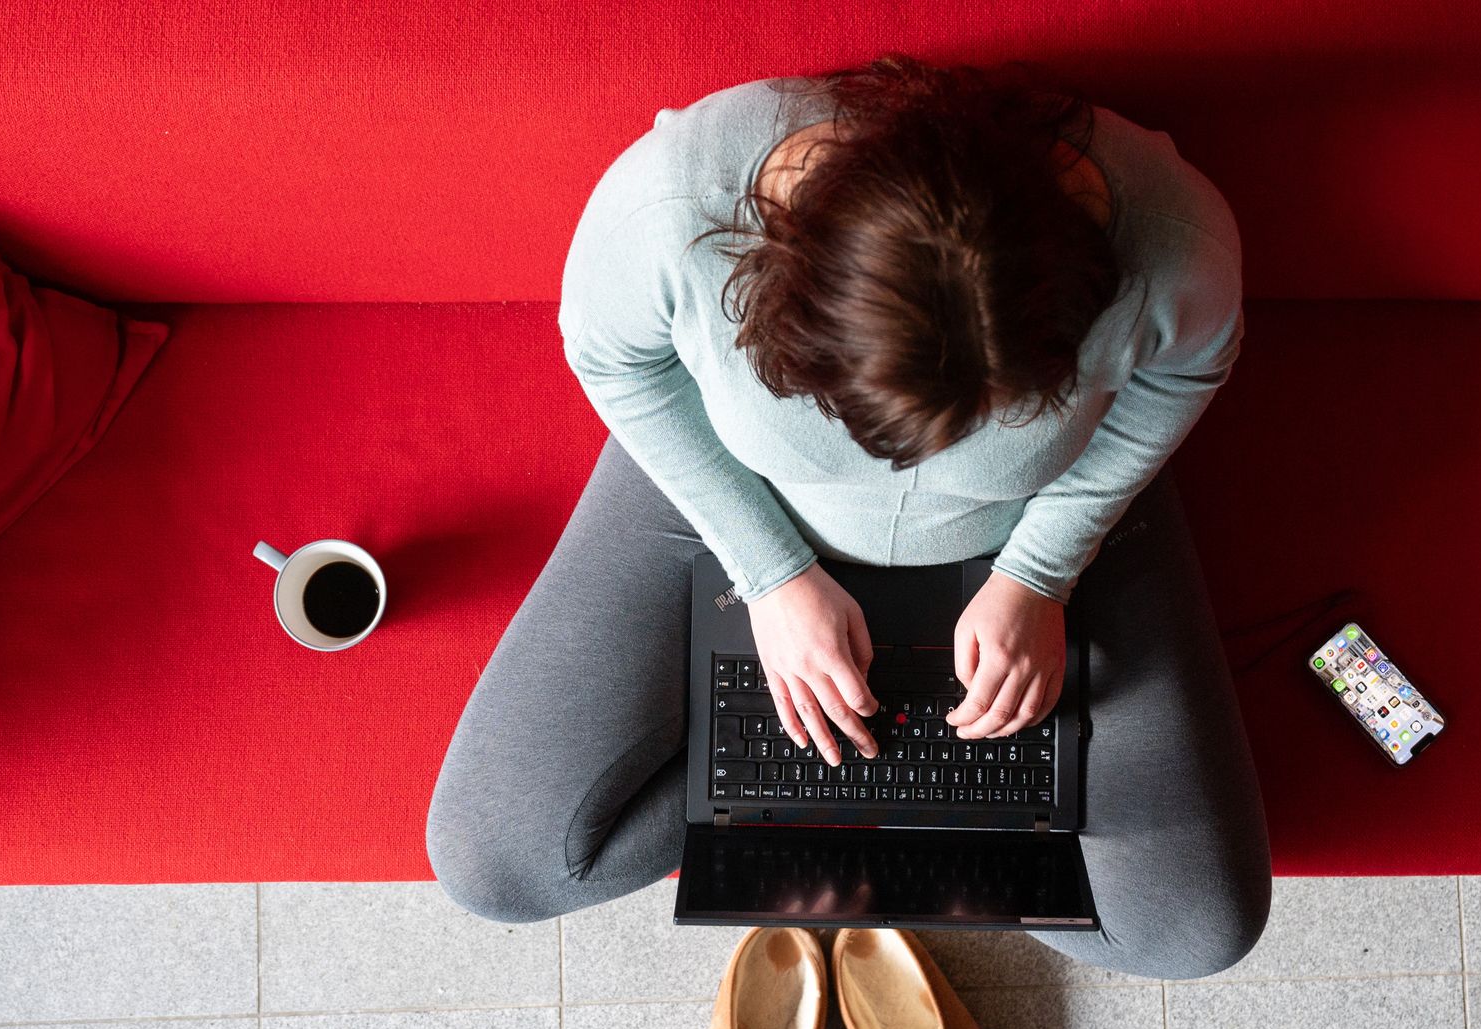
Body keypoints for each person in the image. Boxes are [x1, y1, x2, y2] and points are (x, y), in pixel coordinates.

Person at [426, 52, 1270, 980]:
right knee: (494, 866)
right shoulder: (676, 209)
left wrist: (1041, 571)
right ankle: (863, 784)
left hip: (1042, 521)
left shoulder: (1173, 241)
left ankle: (848, 788)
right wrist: (771, 575)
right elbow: (614, 362)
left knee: (1193, 933)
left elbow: (1184, 373)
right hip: (742, 491)